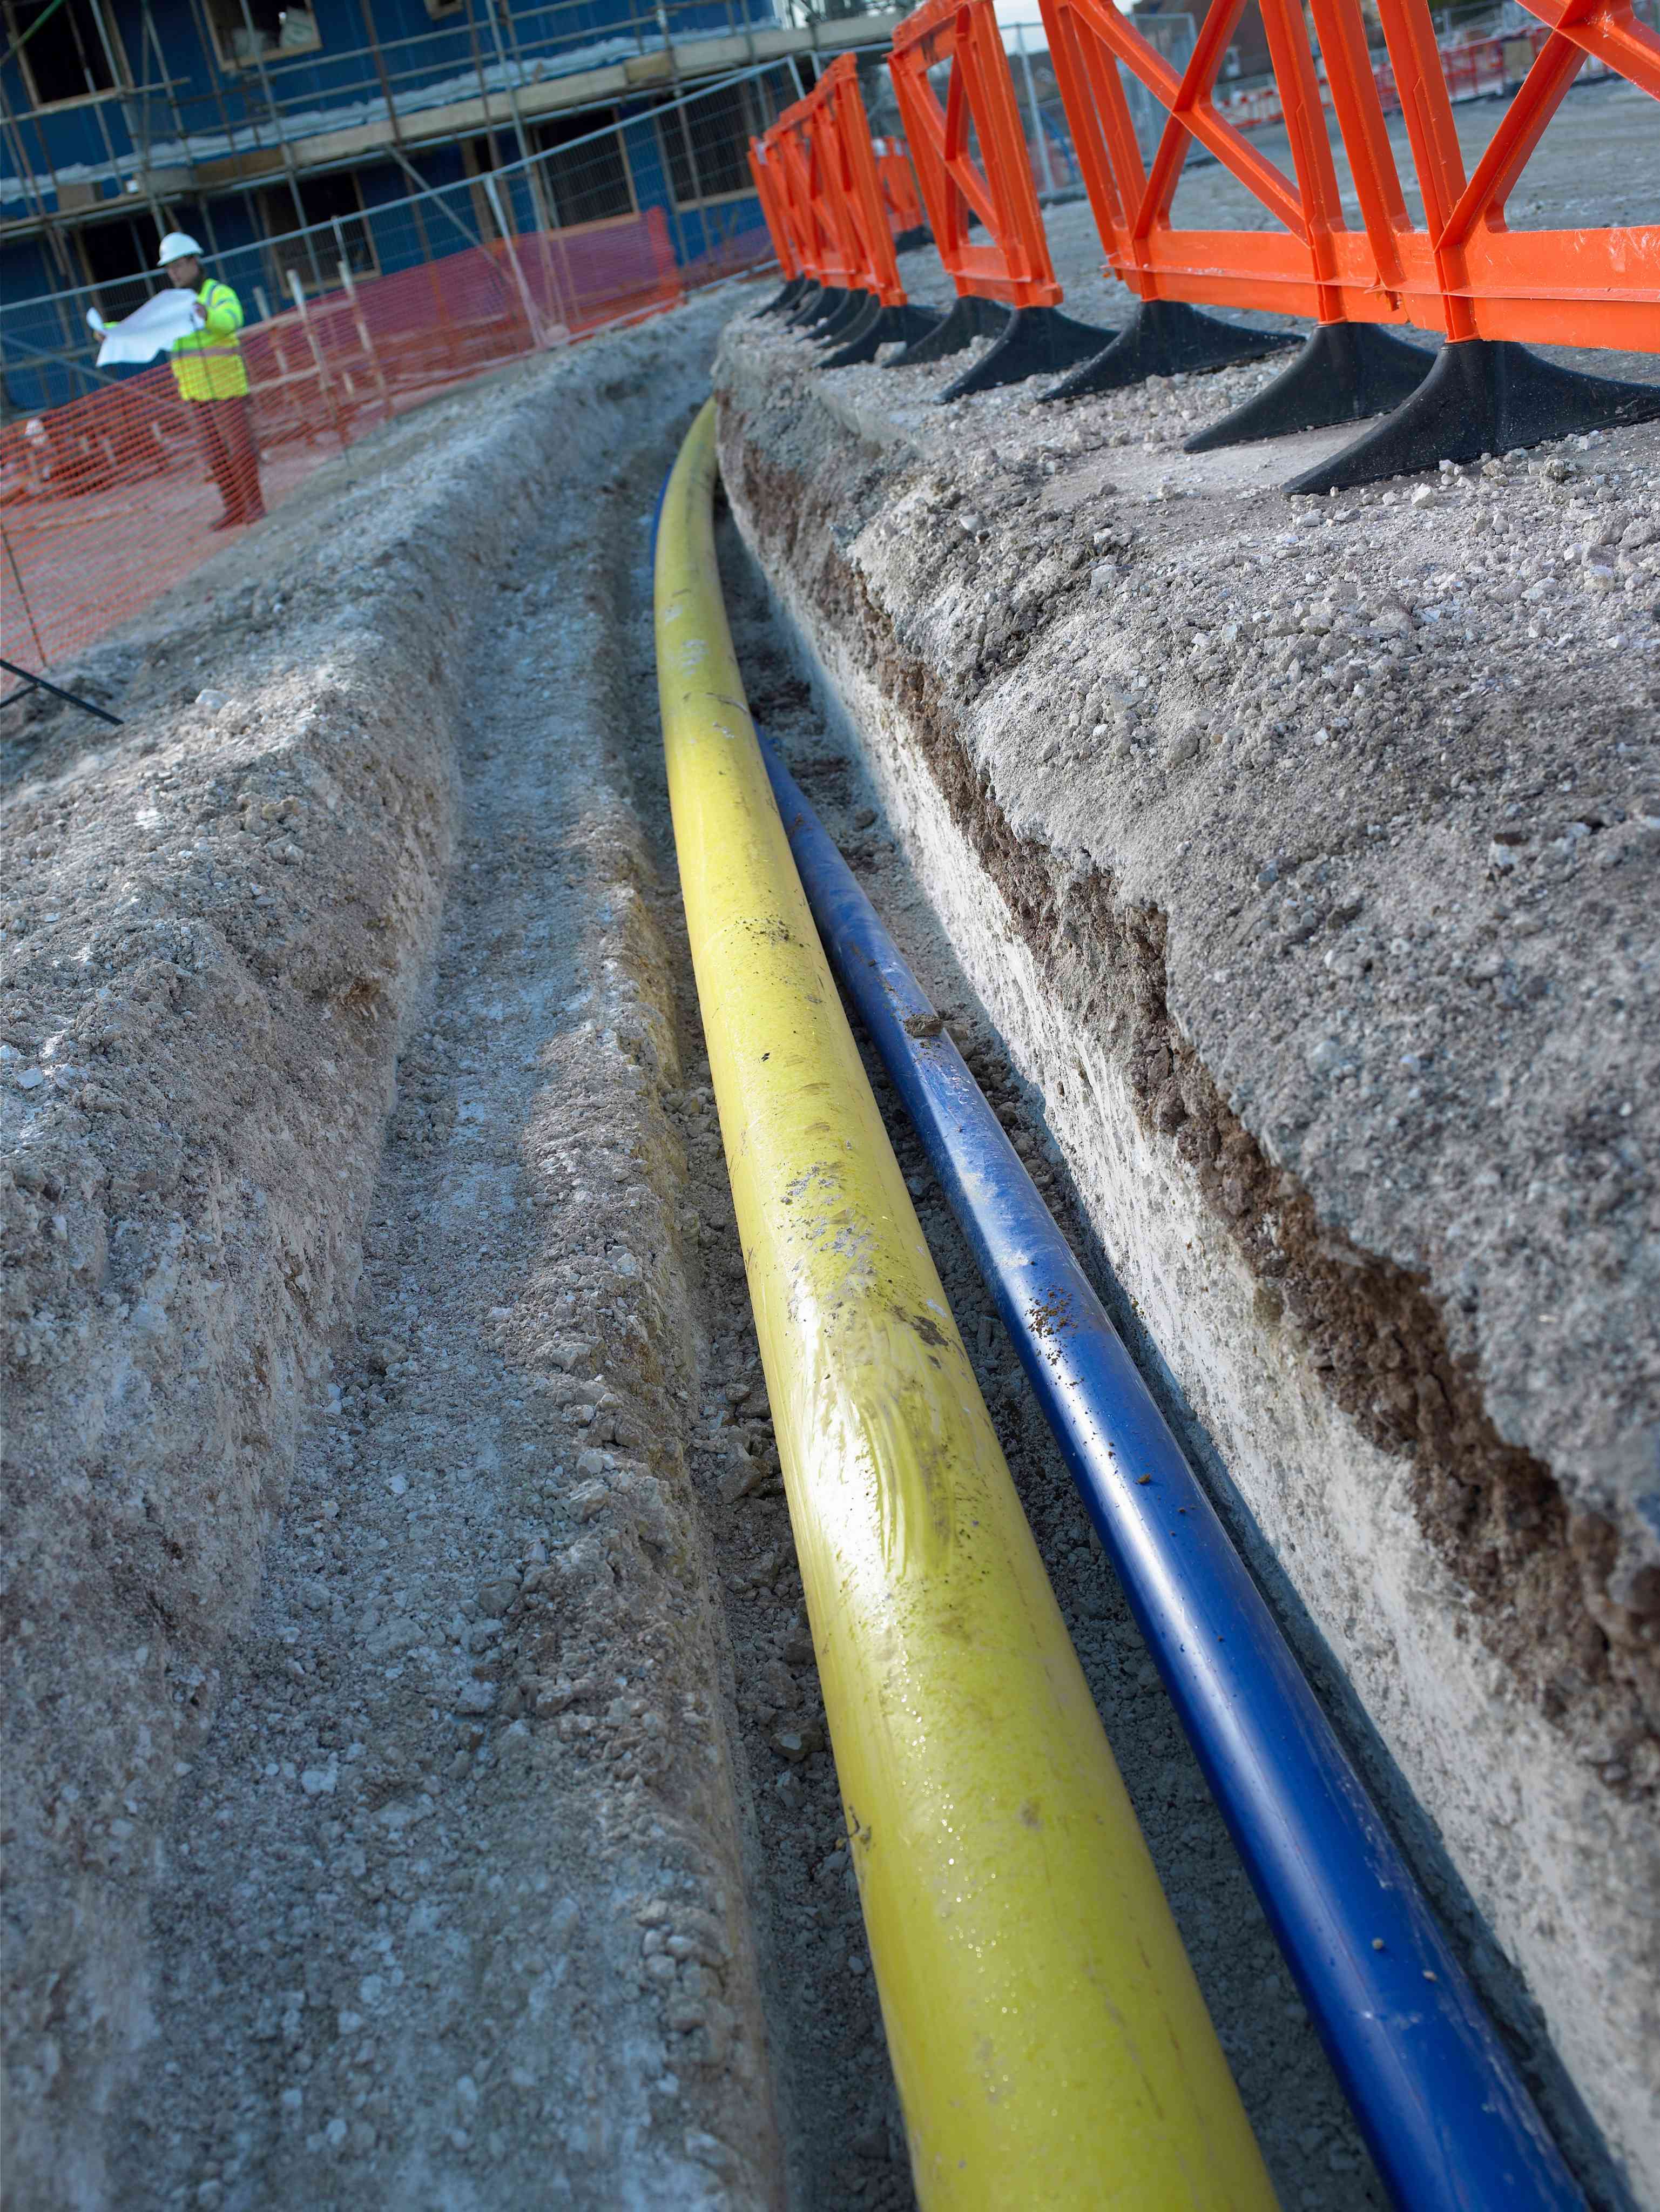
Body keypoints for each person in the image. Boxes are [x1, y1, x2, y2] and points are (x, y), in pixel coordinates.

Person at [156, 231, 265, 529]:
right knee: (214, 454)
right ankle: (234, 507)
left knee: (240, 450)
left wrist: (207, 317)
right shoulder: (172, 304)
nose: (173, 273)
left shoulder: (218, 294)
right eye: (169, 268)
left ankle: (254, 505)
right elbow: (144, 326)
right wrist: (111, 331)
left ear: (194, 262)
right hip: (194, 393)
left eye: (177, 265)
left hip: (226, 388)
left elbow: (232, 321)